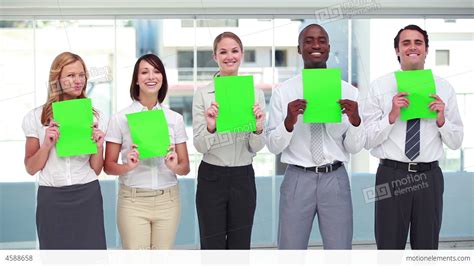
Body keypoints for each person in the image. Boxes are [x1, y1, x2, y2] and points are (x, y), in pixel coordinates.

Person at [362, 24, 463, 249]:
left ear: (426, 49)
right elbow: (367, 139)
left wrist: (441, 120)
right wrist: (391, 116)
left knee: (426, 248)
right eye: (405, 43)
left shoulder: (444, 88)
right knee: (388, 248)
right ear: (397, 51)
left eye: (418, 43)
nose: (412, 47)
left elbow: (456, 142)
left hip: (429, 177)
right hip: (390, 174)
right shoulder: (380, 87)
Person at [266, 24, 365, 249]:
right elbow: (273, 145)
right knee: (290, 251)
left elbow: (355, 147)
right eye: (308, 40)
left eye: (321, 40)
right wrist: (289, 122)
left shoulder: (349, 92)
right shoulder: (284, 92)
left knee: (339, 252)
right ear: (299, 49)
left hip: (335, 178)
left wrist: (356, 120)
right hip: (297, 179)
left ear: (329, 48)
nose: (316, 45)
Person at [104, 54, 190, 249]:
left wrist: (173, 165)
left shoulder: (174, 119)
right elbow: (108, 166)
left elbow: (185, 168)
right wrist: (127, 165)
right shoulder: (120, 118)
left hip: (168, 200)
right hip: (133, 201)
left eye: (156, 71)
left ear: (163, 78)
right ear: (136, 79)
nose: (151, 76)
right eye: (144, 72)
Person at [22, 52, 106, 249]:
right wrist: (46, 145)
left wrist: (99, 145)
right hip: (51, 198)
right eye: (70, 75)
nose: (78, 81)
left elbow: (96, 169)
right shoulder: (35, 118)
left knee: (91, 257)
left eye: (81, 75)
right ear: (56, 79)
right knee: (54, 257)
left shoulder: (97, 117)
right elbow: (31, 168)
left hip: (87, 194)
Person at [192, 31, 266, 249]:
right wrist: (211, 127)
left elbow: (256, 147)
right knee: (212, 245)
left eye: (234, 51)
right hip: (211, 177)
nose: (229, 56)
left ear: (241, 54)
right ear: (215, 56)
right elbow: (199, 146)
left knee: (240, 246)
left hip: (243, 176)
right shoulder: (203, 95)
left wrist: (258, 127)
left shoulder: (255, 94)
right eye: (223, 52)